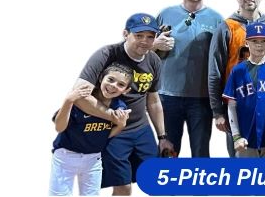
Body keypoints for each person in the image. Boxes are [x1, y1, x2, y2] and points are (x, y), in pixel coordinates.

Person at [73, 13, 173, 196]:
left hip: (142, 130)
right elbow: (79, 96)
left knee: (158, 181)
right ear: (125, 34)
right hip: (113, 132)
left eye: (150, 36)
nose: (144, 41)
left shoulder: (154, 61)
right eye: (139, 35)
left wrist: (162, 136)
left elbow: (153, 101)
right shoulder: (106, 55)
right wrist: (111, 116)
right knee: (124, 187)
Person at [208, 0, 265, 157]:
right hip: (237, 105)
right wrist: (217, 112)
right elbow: (215, 72)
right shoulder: (226, 27)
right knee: (240, 163)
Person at [155, 0, 222, 158]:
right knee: (168, 151)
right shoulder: (165, 14)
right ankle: (168, 188)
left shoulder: (217, 19)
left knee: (200, 152)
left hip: (200, 98)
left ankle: (200, 188)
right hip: (168, 96)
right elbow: (143, 50)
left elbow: (221, 59)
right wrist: (155, 45)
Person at [50, 66, 130, 196]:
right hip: (66, 156)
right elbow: (59, 127)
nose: (113, 86)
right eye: (110, 79)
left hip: (93, 159)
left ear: (126, 90)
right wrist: (68, 101)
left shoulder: (119, 107)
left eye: (121, 84)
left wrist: (120, 125)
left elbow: (106, 135)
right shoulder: (82, 100)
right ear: (100, 79)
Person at [223, 22, 265, 158]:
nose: (259, 45)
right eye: (254, 41)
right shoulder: (237, 71)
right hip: (246, 137)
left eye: (264, 41)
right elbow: (231, 106)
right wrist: (236, 136)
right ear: (246, 42)